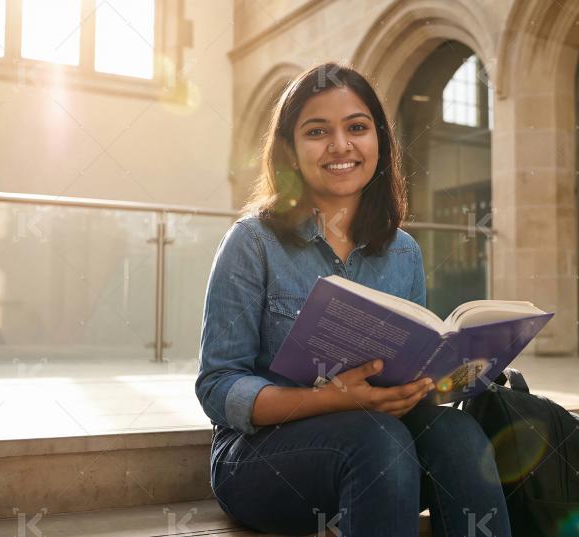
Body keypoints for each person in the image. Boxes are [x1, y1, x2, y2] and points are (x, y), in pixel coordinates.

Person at [195, 62, 510, 537]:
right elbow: (217, 386)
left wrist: (442, 379)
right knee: (378, 439)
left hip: (383, 454)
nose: (340, 146)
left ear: (378, 141)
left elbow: (415, 367)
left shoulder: (403, 251)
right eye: (317, 131)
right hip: (261, 459)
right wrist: (328, 400)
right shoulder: (253, 242)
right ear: (291, 150)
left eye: (357, 128)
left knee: (458, 434)